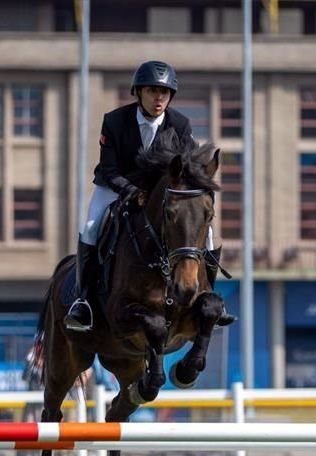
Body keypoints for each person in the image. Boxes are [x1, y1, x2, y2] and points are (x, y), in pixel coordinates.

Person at [65, 59, 235, 332]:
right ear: (138, 93)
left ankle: (207, 294)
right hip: (116, 186)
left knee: (209, 233)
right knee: (91, 227)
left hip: (159, 194)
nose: (159, 98)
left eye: (164, 93)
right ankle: (82, 300)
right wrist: (132, 191)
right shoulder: (115, 121)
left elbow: (188, 167)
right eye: (152, 91)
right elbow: (108, 168)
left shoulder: (180, 124)